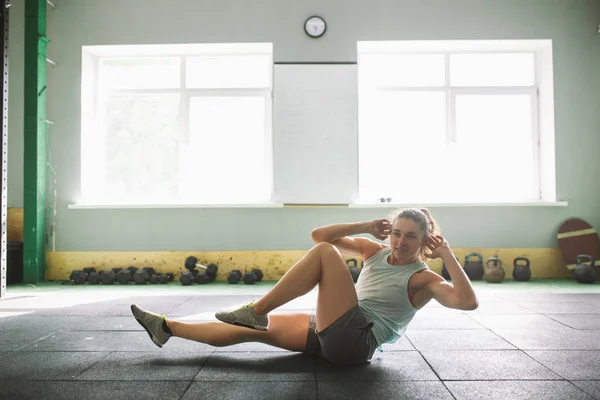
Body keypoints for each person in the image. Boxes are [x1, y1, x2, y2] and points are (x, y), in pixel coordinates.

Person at [131, 207, 479, 366]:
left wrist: (447, 254)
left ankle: (256, 310)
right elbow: (318, 235)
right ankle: (166, 328)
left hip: (358, 339)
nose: (401, 242)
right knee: (253, 332)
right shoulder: (374, 250)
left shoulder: (424, 279)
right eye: (397, 234)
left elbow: (467, 302)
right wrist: (366, 224)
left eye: (411, 237)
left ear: (424, 241)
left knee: (326, 256)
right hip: (335, 332)